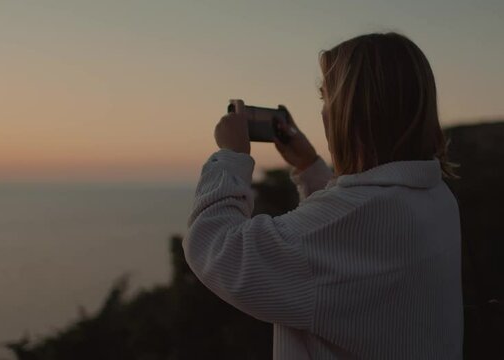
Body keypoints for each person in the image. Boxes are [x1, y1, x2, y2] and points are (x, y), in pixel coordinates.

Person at [184, 32, 462, 359]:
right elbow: (343, 256)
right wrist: (308, 165)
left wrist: (231, 156)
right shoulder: (434, 195)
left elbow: (214, 248)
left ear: (352, 110)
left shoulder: (356, 217)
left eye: (325, 97)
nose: (324, 112)